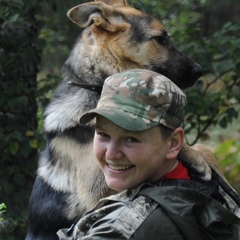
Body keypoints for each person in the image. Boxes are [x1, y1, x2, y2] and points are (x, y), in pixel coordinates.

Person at [57, 69, 240, 240]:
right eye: (103, 135)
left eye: (131, 139)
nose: (111, 154)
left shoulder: (124, 228)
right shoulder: (199, 177)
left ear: (174, 143)